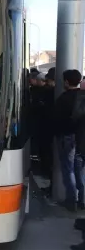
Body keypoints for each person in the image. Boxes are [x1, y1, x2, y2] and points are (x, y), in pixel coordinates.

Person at [54, 69, 84, 212]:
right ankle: (82, 200)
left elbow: (57, 121)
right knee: (79, 170)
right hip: (81, 138)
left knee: (68, 169)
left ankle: (71, 200)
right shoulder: (82, 96)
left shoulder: (63, 99)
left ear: (66, 82)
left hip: (67, 137)